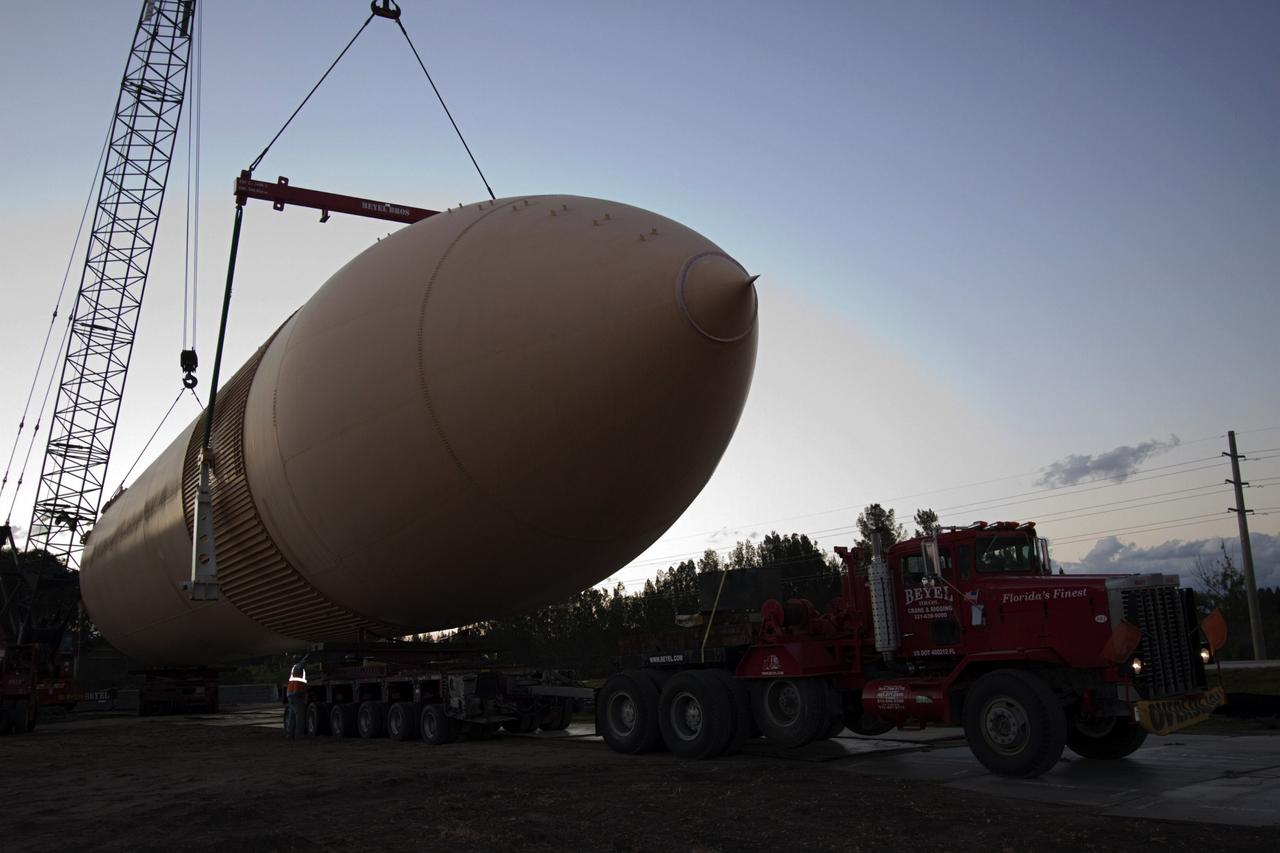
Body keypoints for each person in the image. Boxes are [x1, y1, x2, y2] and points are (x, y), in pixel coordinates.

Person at [285, 661, 307, 738]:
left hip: (291, 693)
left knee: (292, 716)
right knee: (299, 716)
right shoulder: (298, 667)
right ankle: (298, 734)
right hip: (296, 694)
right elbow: (299, 683)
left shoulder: (294, 668)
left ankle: (290, 733)